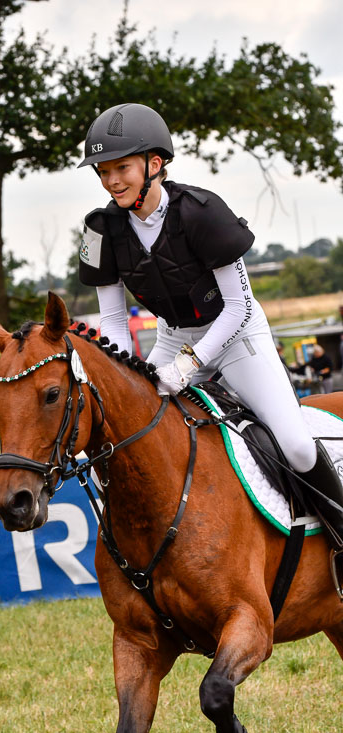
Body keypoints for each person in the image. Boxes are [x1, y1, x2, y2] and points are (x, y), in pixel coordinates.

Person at [77, 102, 343, 558]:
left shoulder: (201, 211)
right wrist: (125, 378)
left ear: (154, 164)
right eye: (103, 171)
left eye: (121, 167)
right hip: (173, 337)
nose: (111, 180)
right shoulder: (101, 229)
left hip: (238, 337)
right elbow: (116, 321)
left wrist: (192, 364)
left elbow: (239, 306)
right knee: (116, 442)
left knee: (297, 446)